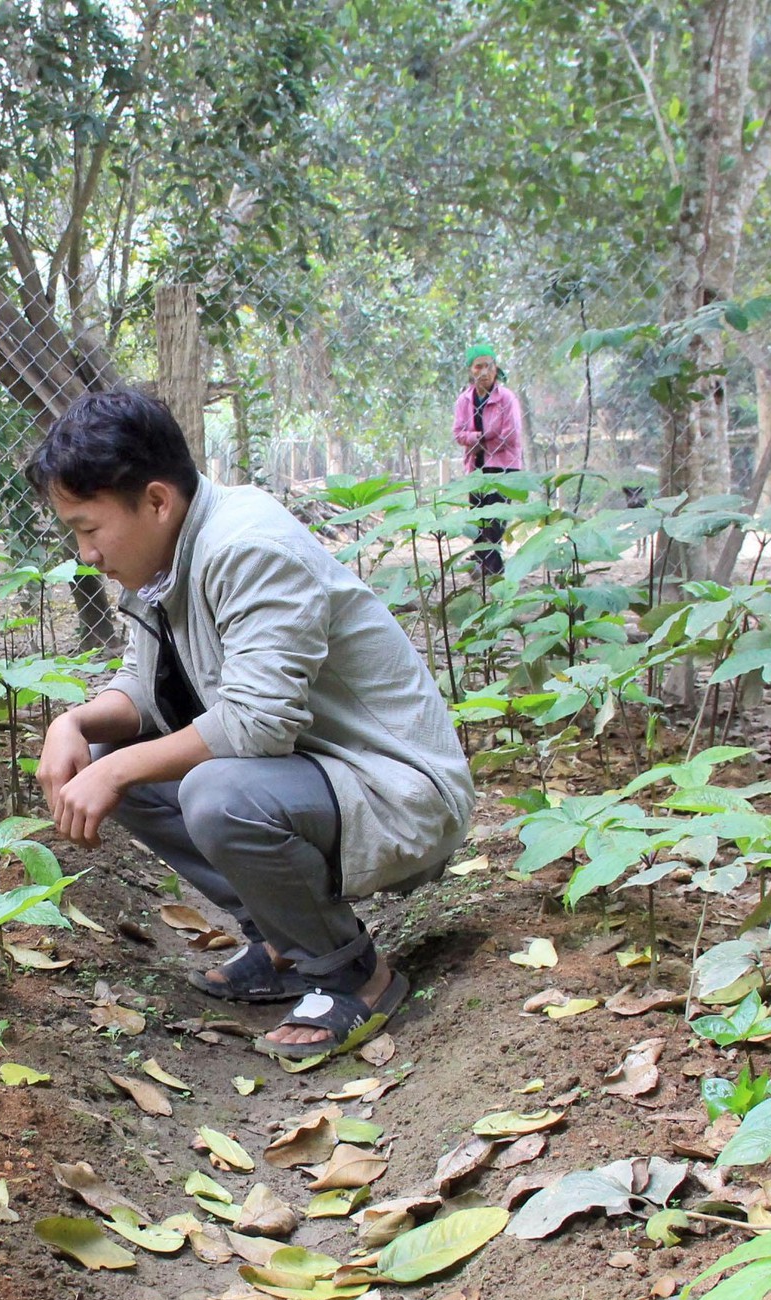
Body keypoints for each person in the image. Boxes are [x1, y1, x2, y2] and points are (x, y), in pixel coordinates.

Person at [27, 389, 475, 1061]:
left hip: (397, 794)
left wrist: (116, 768)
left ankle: (350, 971)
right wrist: (74, 723)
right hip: (312, 778)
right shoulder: (161, 558)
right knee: (104, 752)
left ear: (155, 501)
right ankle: (281, 943)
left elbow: (258, 723)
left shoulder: (248, 545)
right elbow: (141, 692)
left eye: (89, 528)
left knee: (210, 792)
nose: (85, 552)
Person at [452, 343, 526, 576]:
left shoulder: (507, 398)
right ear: (470, 371)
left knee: (495, 521)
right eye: (478, 367)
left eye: (488, 366)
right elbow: (458, 433)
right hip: (477, 467)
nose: (484, 372)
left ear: (496, 368)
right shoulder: (464, 400)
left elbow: (511, 434)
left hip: (504, 467)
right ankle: (486, 566)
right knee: (479, 519)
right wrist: (481, 437)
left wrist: (477, 439)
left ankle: (493, 569)